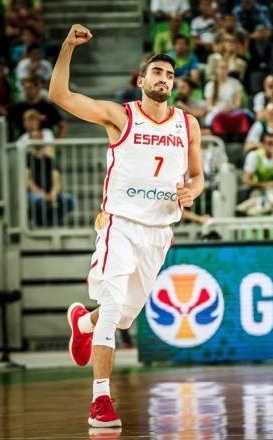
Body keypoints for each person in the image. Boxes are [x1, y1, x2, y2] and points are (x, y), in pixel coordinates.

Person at [50, 25, 204, 428]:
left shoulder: (187, 125)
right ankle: (101, 400)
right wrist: (68, 47)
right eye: (157, 72)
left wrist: (193, 192)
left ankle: (83, 322)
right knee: (114, 305)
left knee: (118, 317)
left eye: (170, 75)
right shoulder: (121, 116)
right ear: (141, 80)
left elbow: (198, 175)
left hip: (158, 232)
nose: (164, 79)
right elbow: (60, 96)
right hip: (119, 224)